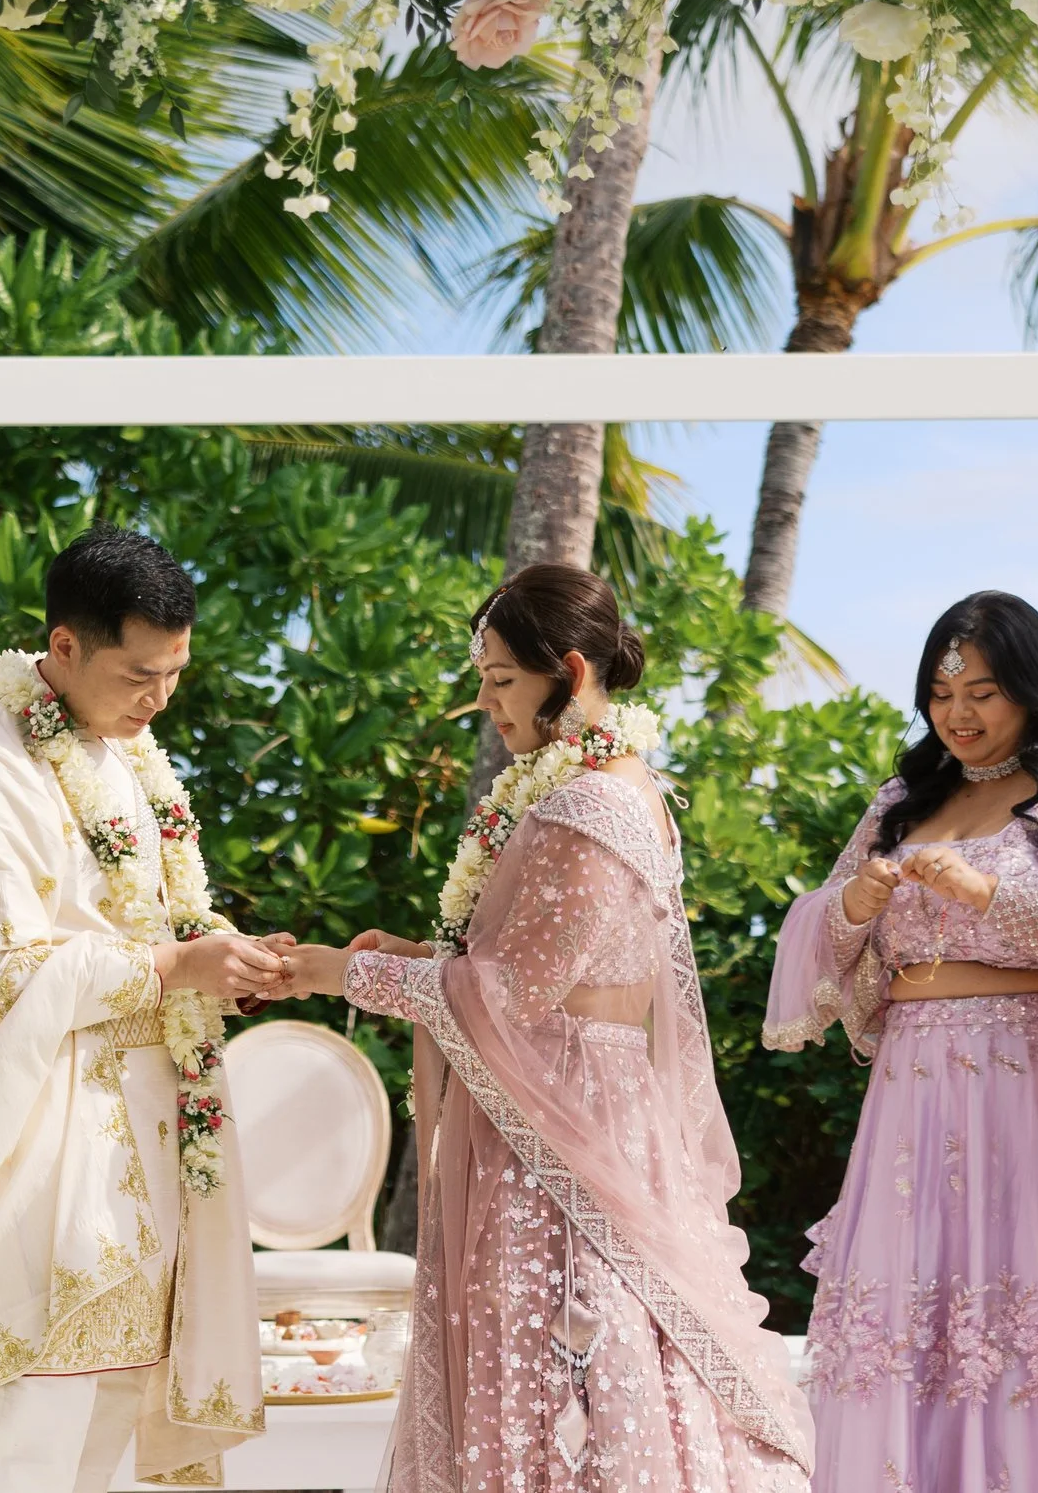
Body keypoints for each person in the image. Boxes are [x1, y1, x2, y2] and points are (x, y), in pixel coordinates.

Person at [279, 565, 813, 1492]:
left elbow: (512, 992)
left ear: (567, 669)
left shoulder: (590, 802)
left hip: (557, 1128)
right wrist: (415, 951)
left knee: (565, 1354)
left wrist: (344, 973)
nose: (485, 701)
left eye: (499, 678)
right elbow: (542, 965)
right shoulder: (606, 784)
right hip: (572, 1096)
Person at [761, 590, 1038, 1493]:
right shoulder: (903, 797)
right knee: (913, 1324)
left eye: (984, 691)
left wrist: (987, 896)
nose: (958, 713)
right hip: (912, 1095)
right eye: (941, 691)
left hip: (1033, 1092)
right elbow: (826, 943)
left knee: (1023, 1312)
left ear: (1036, 689)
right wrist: (853, 906)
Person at [0, 527, 285, 1493]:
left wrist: (214, 950)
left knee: (112, 1424)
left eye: (176, 672)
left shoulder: (127, 758)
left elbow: (141, 918)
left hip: (144, 1142)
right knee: (29, 1424)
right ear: (62, 647)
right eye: (140, 673)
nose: (160, 697)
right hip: (43, 1146)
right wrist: (176, 963)